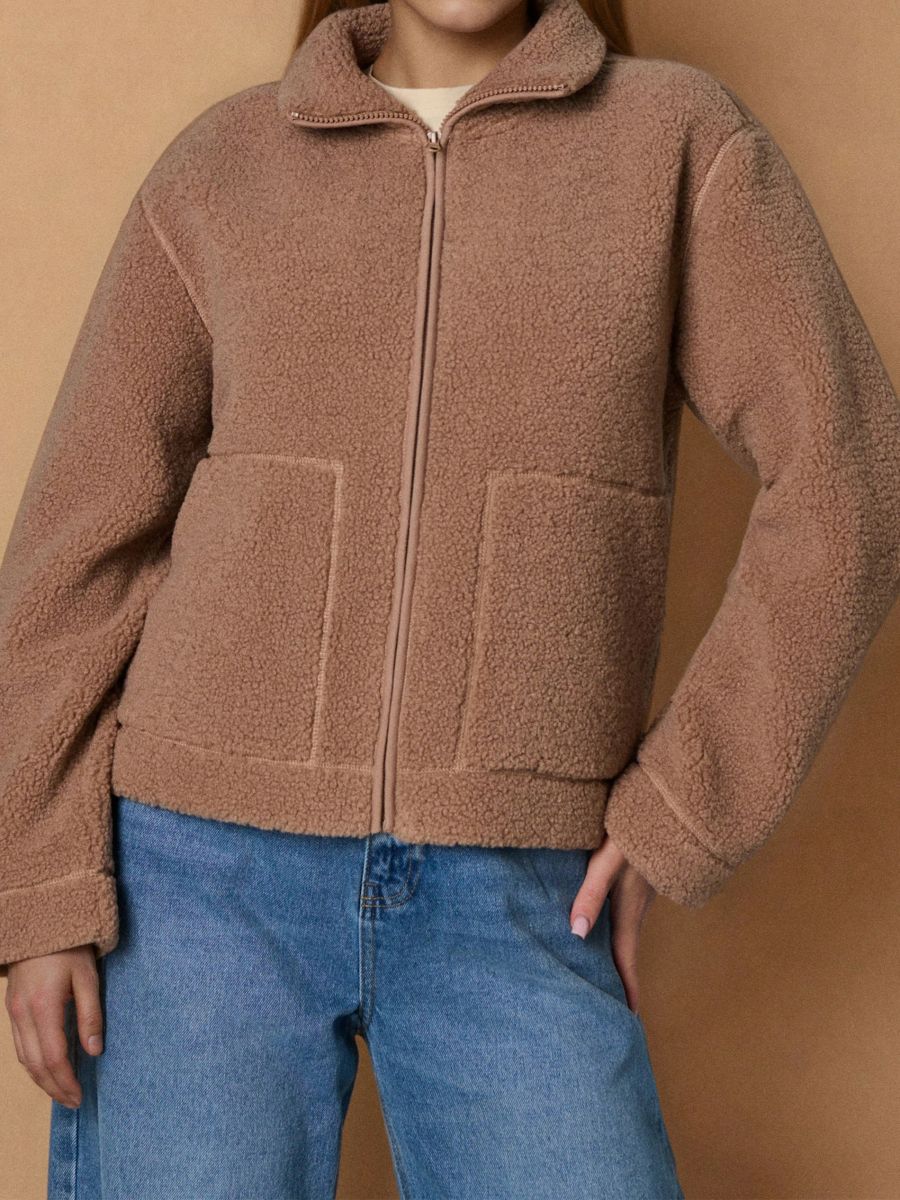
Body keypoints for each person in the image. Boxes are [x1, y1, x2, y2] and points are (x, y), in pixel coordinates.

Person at [1, 0, 898, 1195]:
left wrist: (684, 809)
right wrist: (39, 887)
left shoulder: (678, 146)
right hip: (197, 882)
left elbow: (850, 482)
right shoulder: (224, 166)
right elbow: (74, 551)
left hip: (514, 886)